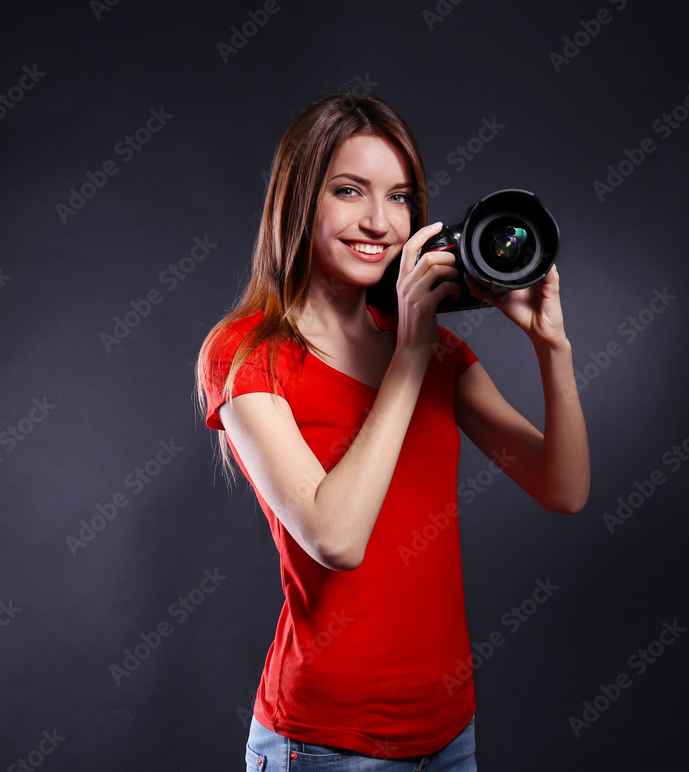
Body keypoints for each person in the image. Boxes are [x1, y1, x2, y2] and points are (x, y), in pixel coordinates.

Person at [195, 92, 590, 771]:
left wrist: (553, 347)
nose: (379, 221)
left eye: (401, 198)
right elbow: (336, 538)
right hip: (325, 744)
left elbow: (564, 488)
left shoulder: (435, 351)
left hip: (447, 731)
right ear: (299, 200)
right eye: (349, 191)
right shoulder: (246, 353)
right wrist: (410, 351)